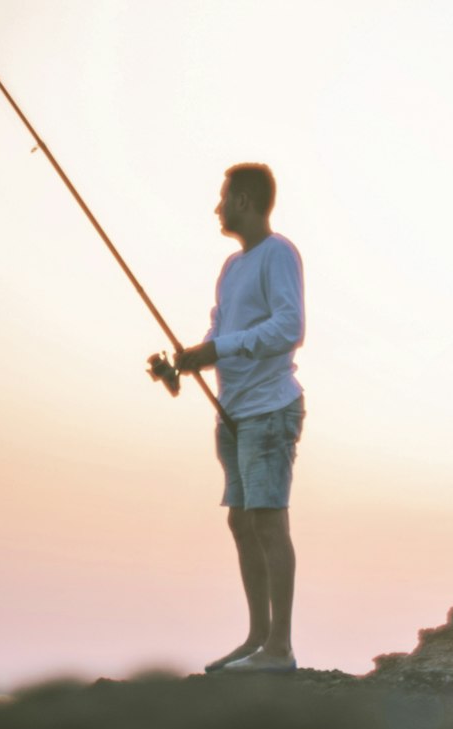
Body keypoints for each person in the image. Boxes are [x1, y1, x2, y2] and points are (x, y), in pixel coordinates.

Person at [174, 164, 306, 674]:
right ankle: (257, 638)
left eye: (224, 196)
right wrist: (188, 361)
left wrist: (219, 347)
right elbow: (220, 329)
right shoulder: (232, 267)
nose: (217, 207)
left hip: (269, 409)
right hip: (234, 413)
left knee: (268, 521)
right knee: (241, 521)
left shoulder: (279, 253)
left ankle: (280, 648)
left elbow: (290, 326)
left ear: (245, 201)